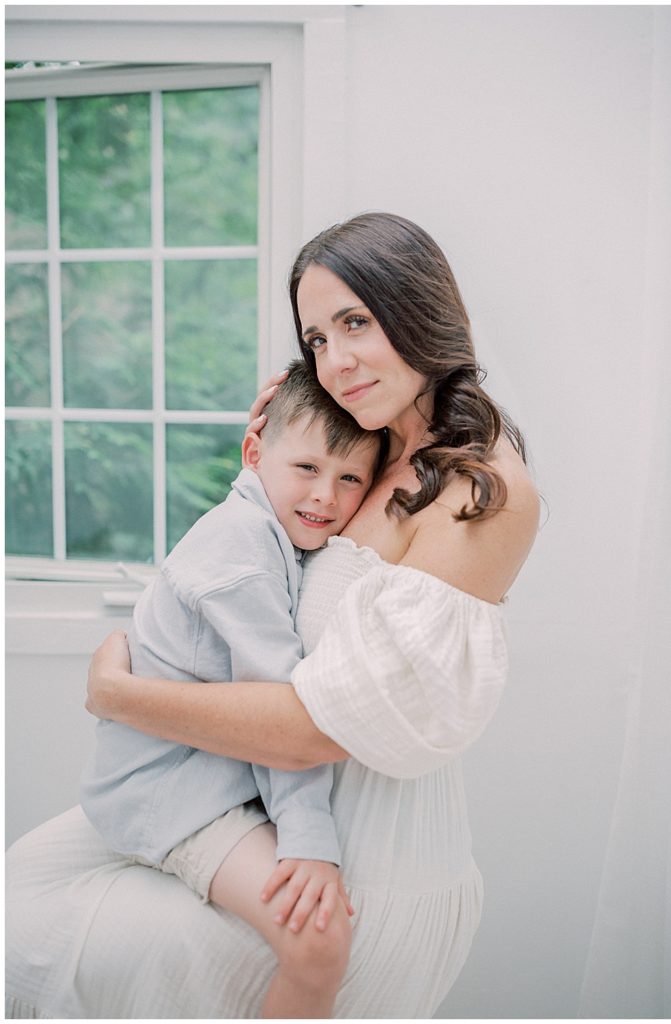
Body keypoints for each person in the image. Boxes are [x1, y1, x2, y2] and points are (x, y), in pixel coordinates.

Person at [5, 212, 540, 1020]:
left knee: (56, 941)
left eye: (356, 322)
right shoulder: (360, 446)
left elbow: (323, 727)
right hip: (260, 798)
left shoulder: (480, 491)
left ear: (422, 309)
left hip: (360, 859)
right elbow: (252, 580)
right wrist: (269, 473)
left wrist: (117, 696)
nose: (336, 360)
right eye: (317, 339)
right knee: (22, 888)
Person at [80, 360, 383, 1019]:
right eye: (307, 468)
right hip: (170, 791)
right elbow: (280, 714)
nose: (326, 498)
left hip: (203, 773)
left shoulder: (264, 528)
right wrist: (309, 844)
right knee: (320, 943)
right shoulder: (240, 549)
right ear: (254, 453)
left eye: (350, 478)